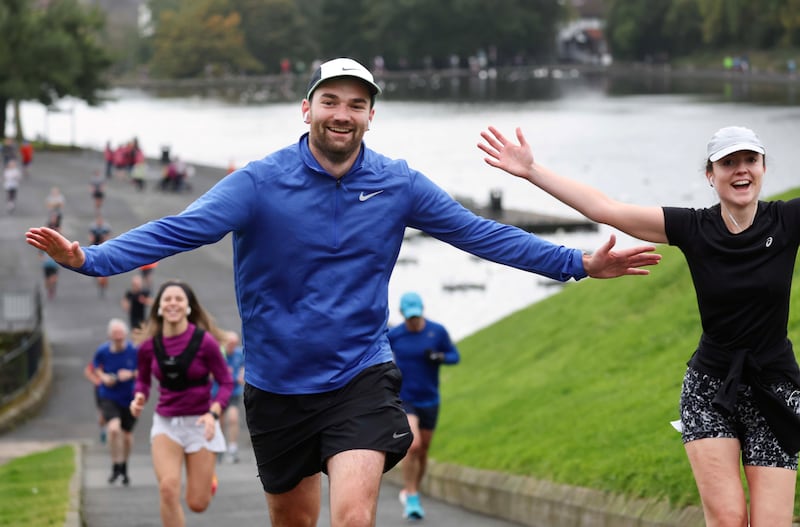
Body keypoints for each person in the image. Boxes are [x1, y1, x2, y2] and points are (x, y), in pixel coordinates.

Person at [25, 57, 660, 527]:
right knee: (295, 520)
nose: (342, 114)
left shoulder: (398, 184)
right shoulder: (258, 183)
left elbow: (479, 235)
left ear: (371, 116)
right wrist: (90, 258)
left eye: (357, 105)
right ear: (307, 109)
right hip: (276, 386)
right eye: (331, 100)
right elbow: (179, 230)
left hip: (360, 373)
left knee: (353, 519)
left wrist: (577, 261)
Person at [478, 125, 800, 526]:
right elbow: (606, 209)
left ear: (764, 167)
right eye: (728, 162)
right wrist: (532, 171)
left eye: (750, 160)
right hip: (710, 388)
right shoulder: (694, 227)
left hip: (775, 388)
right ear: (710, 175)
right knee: (729, 519)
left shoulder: (788, 220)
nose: (740, 171)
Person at [129, 280, 233, 527]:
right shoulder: (148, 347)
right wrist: (139, 397)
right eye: (167, 299)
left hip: (200, 423)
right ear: (159, 307)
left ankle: (208, 480)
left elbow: (226, 382)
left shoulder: (205, 342)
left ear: (188, 307)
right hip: (167, 424)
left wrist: (214, 413)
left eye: (178, 299)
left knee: (198, 503)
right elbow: (142, 380)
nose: (172, 303)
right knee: (167, 489)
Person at [388, 292, 460, 521]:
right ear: (402, 315)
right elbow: (378, 355)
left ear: (422, 312)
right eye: (409, 318)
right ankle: (411, 498)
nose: (413, 321)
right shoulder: (395, 335)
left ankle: (413, 490)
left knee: (424, 450)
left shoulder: (436, 331)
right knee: (413, 445)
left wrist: (439, 357)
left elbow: (454, 356)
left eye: (416, 317)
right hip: (405, 398)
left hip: (429, 399)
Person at [85, 318, 139, 485]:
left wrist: (129, 374)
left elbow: (143, 372)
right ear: (110, 335)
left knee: (127, 435)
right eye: (115, 333)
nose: (118, 336)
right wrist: (104, 378)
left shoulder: (134, 351)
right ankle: (115, 464)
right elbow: (95, 368)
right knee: (114, 429)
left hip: (129, 397)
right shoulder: (103, 351)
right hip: (108, 395)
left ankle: (124, 465)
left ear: (125, 334)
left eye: (120, 332)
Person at [211, 331, 245, 464]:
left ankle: (232, 448)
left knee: (233, 418)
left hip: (234, 391)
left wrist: (242, 374)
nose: (232, 346)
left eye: (234, 344)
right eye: (230, 344)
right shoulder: (218, 354)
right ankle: (219, 448)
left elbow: (244, 367)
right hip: (218, 392)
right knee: (219, 421)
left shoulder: (239, 353)